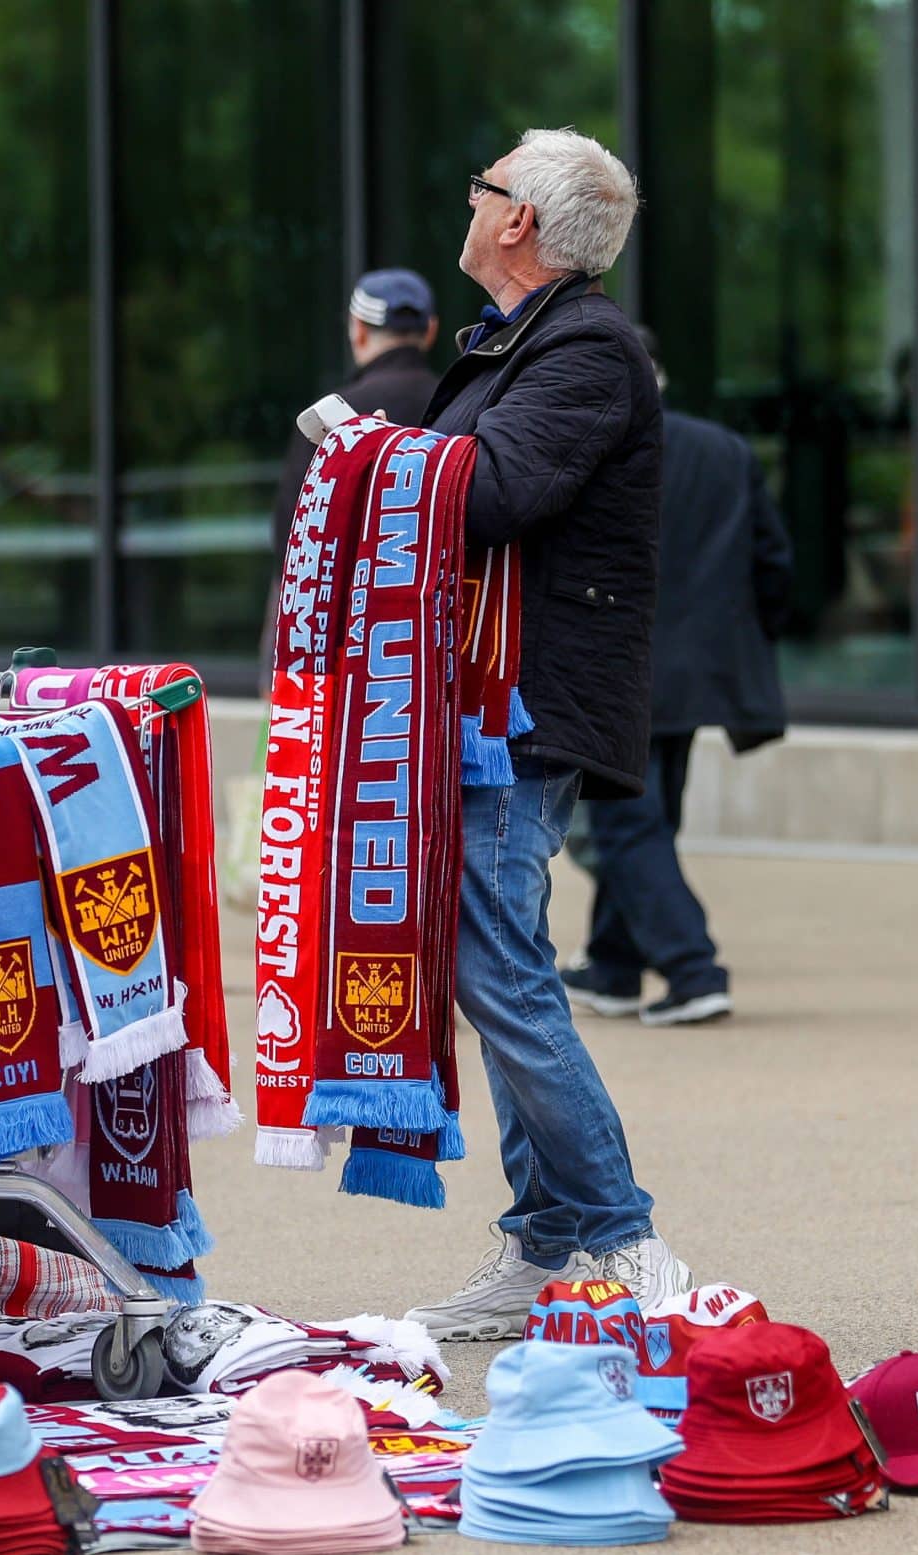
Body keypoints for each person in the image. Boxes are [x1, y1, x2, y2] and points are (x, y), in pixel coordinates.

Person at [399, 128, 689, 1340]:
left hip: (523, 705)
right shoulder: (523, 340)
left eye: (482, 186)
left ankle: (620, 1234)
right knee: (496, 956)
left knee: (493, 964)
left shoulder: (583, 348)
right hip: (490, 698)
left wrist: (377, 459)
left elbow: (496, 492)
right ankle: (547, 1241)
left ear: (516, 220)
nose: (466, 201)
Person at [561, 341, 792, 1028]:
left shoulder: (601, 448)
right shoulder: (724, 449)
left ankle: (694, 968)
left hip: (620, 666)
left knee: (626, 826)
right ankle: (614, 964)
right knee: (651, 818)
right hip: (698, 672)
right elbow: (774, 562)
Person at [268, 269, 442, 559]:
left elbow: (291, 533)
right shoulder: (461, 400)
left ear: (358, 330)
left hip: (354, 598)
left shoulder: (327, 417)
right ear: (432, 330)